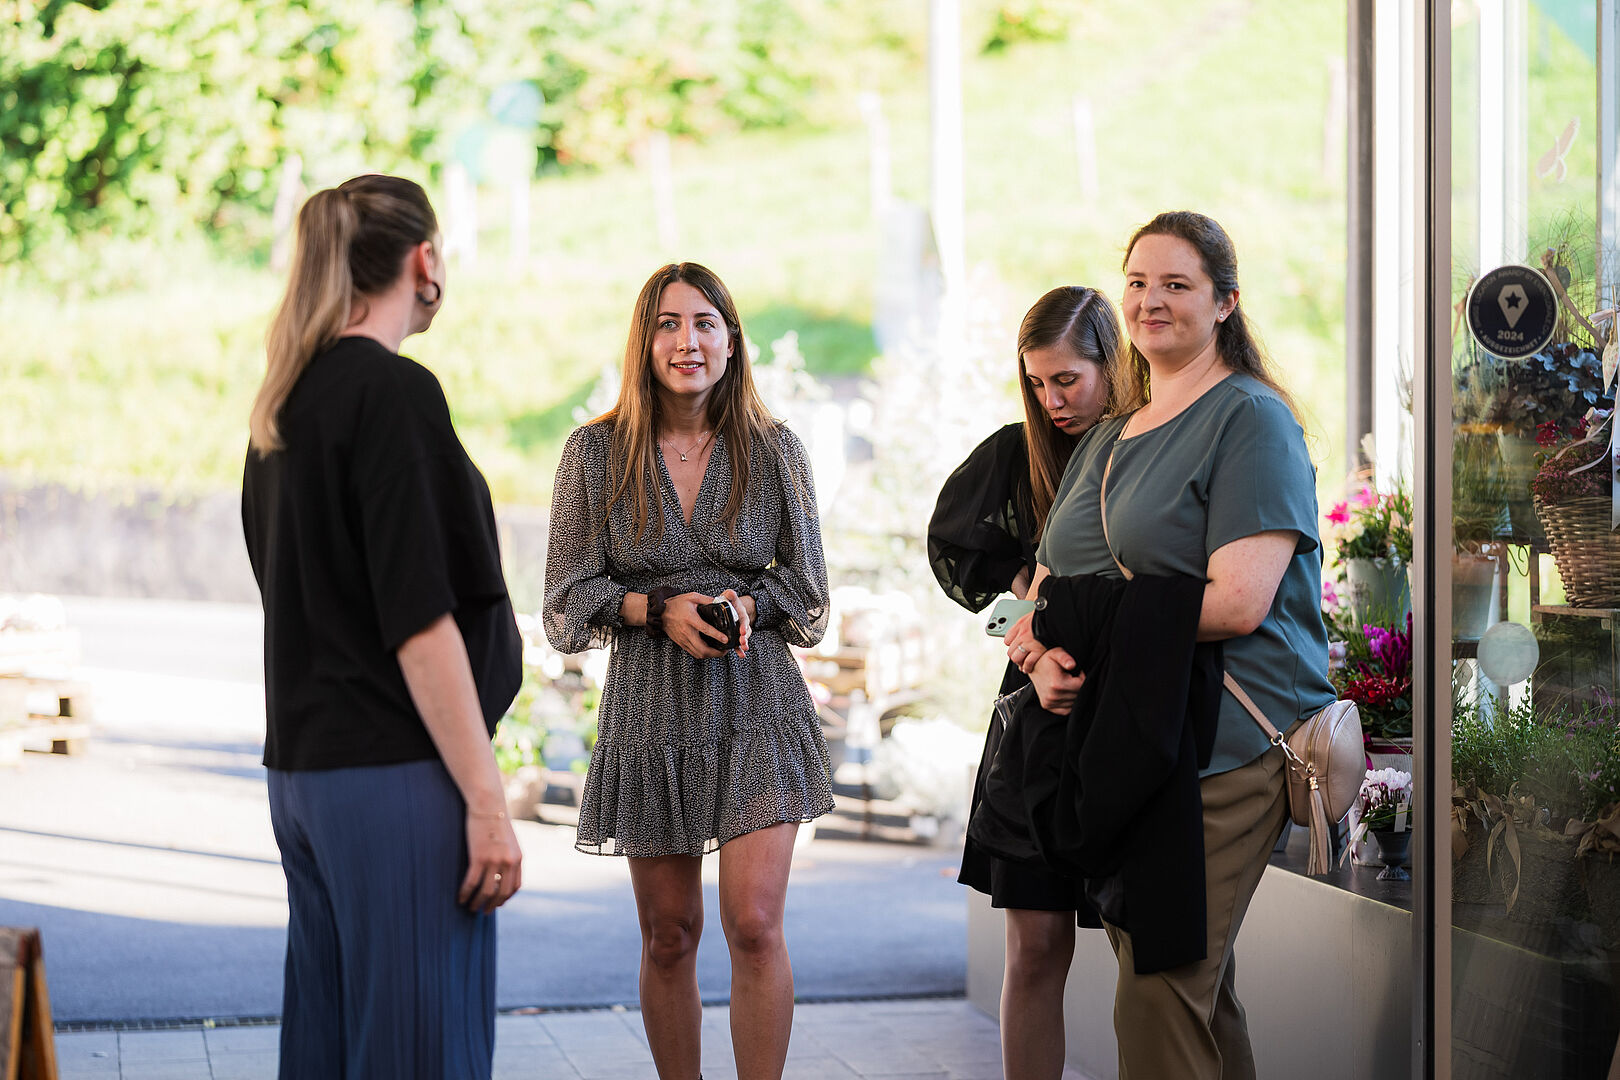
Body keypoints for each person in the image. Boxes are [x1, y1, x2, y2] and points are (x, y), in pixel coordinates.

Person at [1003, 211, 1334, 1080]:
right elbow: (1044, 590)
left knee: (1159, 988)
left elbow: (1240, 602)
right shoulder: (1112, 435)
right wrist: (1043, 658)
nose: (1150, 300)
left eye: (1176, 284)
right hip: (1133, 739)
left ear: (1225, 303)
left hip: (1225, 740)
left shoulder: (1250, 420)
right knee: (1193, 992)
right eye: (1138, 282)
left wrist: (1086, 619)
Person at [241, 174, 524, 1080]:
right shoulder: (393, 395)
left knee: (328, 1055)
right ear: (423, 260)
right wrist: (487, 803)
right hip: (395, 777)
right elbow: (419, 623)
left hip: (307, 780)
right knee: (421, 1056)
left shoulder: (284, 406)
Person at [543, 262, 833, 1080]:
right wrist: (653, 609)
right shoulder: (595, 454)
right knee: (669, 935)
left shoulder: (774, 449)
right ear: (644, 342)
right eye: (668, 324)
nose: (687, 341)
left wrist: (750, 605)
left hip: (757, 704)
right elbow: (564, 600)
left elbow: (807, 592)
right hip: (650, 711)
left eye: (705, 322)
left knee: (755, 926)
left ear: (732, 341)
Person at [926, 285, 1120, 1080]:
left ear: (1114, 361)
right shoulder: (1016, 453)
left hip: (1130, 714)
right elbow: (965, 563)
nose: (1051, 401)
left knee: (1152, 955)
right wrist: (1031, 650)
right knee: (1034, 945)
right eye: (1036, 383)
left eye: (1067, 380)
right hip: (1036, 724)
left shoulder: (1152, 443)